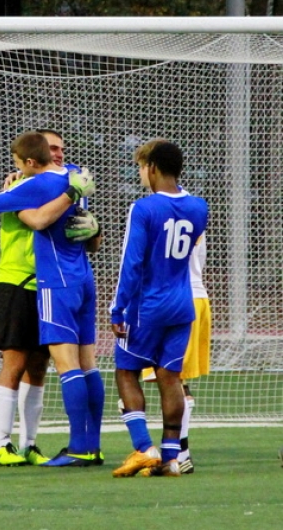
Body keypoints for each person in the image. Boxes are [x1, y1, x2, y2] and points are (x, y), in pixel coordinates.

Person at [0, 131, 103, 467]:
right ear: (40, 154)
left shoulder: (52, 182)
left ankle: (49, 445)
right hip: (21, 281)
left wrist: (16, 195)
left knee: (49, 366)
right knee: (19, 364)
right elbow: (37, 218)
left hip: (53, 283)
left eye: (61, 148)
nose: (58, 153)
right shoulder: (65, 181)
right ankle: (4, 443)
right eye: (53, 148)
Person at [110, 139, 208, 478]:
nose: (140, 174)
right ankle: (171, 458)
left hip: (146, 306)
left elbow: (132, 263)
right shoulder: (199, 207)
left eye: (141, 166)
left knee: (125, 370)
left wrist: (117, 309)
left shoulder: (144, 208)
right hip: (182, 304)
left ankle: (143, 448)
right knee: (170, 377)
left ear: (152, 167)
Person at [138, 231, 209, 474]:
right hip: (194, 296)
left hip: (170, 299)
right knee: (175, 379)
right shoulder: (192, 209)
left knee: (170, 378)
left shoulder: (156, 210)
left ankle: (180, 453)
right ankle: (179, 452)